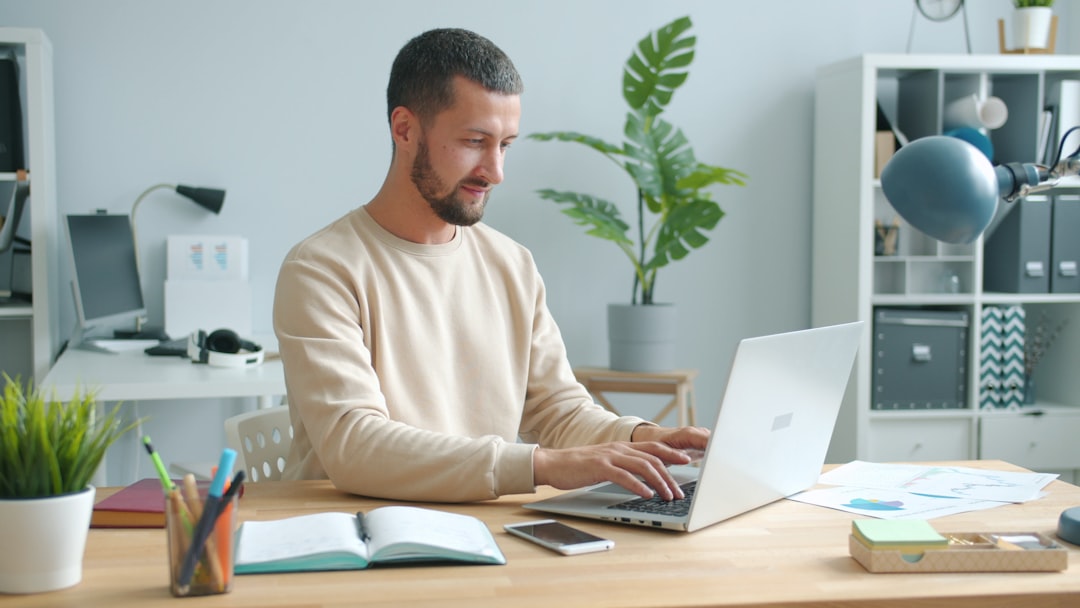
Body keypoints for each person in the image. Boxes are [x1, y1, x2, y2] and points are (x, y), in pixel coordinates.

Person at [273, 27, 709, 503]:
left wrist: (640, 439)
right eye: (475, 141)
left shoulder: (511, 264)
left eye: (505, 145)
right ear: (405, 129)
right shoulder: (320, 269)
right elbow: (355, 444)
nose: (495, 171)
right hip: (360, 539)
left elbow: (557, 410)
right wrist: (540, 465)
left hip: (482, 531)